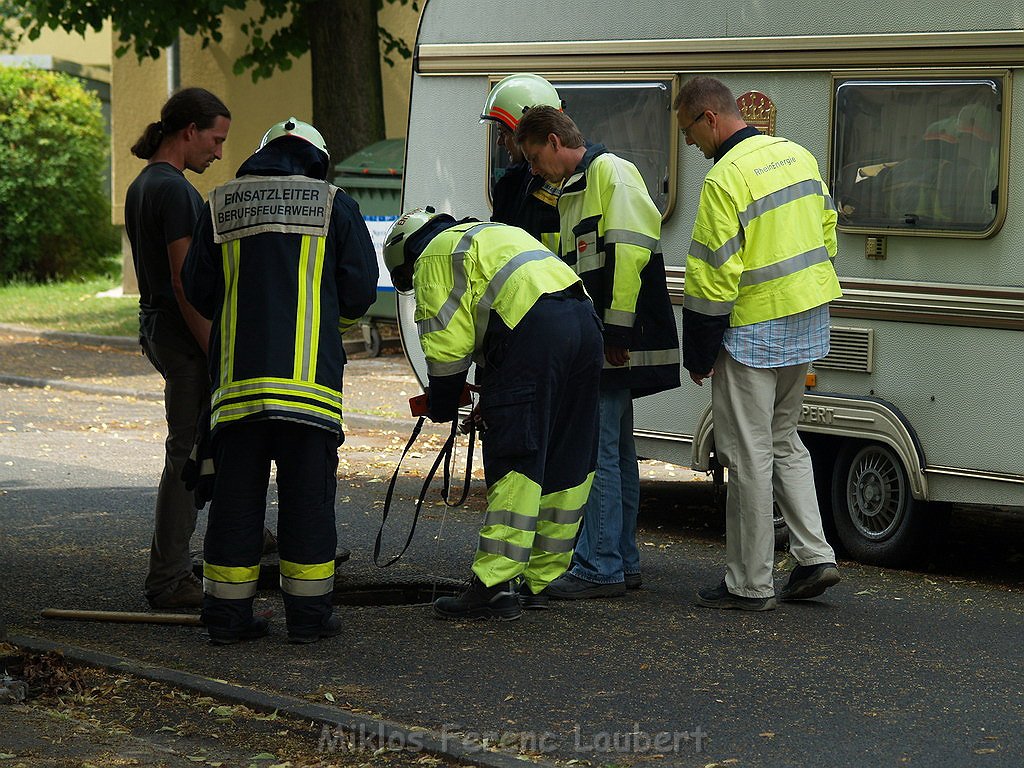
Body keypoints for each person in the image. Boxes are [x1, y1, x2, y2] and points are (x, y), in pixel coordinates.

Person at [182, 118, 378, 644]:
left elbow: (198, 289)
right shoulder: (335, 204)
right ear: (317, 160)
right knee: (307, 502)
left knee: (235, 503)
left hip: (237, 388)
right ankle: (310, 621)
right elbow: (359, 293)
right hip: (310, 390)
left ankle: (226, 620)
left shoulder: (221, 204)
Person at [383, 207, 604, 621]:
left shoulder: (433, 255)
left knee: (517, 456)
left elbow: (447, 348)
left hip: (533, 335)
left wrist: (444, 403)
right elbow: (497, 316)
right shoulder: (491, 233)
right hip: (583, 325)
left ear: (404, 258)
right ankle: (538, 580)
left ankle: (493, 587)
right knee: (567, 455)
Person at [673, 76, 842, 611]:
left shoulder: (725, 179)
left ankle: (749, 583)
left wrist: (698, 352)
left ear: (710, 118)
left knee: (747, 455)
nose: (691, 147)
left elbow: (711, 276)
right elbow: (829, 234)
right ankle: (814, 556)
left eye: (689, 133)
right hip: (807, 320)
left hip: (752, 331)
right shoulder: (799, 156)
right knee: (785, 438)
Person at [514, 107, 680, 601]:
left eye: (533, 156)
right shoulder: (579, 186)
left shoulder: (610, 173)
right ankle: (621, 560)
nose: (533, 168)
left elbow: (628, 256)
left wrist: (616, 333)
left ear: (553, 140)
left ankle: (599, 563)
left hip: (614, 335)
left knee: (599, 450)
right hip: (608, 333)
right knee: (618, 449)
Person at [124, 87, 231, 610]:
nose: (218, 151)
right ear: (189, 131)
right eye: (215, 139)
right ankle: (168, 579)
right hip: (184, 338)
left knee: (209, 445)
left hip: (157, 329)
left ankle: (240, 541)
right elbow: (186, 281)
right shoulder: (176, 192)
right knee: (187, 454)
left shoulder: (144, 184)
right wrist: (216, 348)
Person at [480, 73, 564, 250]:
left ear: (528, 132)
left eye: (503, 133)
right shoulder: (510, 186)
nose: (499, 142)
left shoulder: (569, 182)